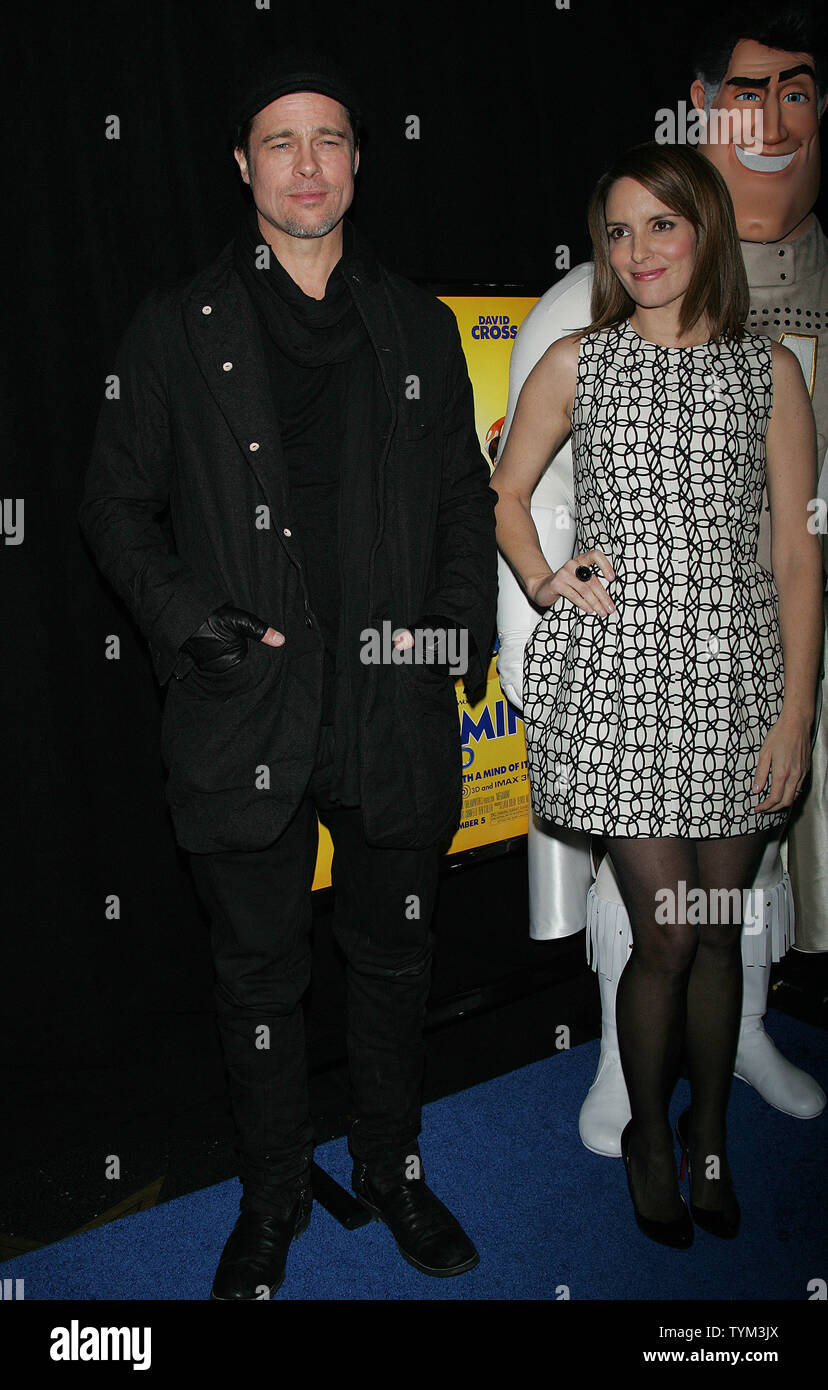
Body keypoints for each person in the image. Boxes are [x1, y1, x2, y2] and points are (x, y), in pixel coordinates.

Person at [78, 50, 497, 1298]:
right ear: (244, 166)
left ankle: (391, 1170)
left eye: (328, 139)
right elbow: (111, 506)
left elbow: (464, 506)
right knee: (258, 975)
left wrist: (448, 639)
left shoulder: (414, 322)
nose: (306, 164)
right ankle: (272, 1199)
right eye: (280, 141)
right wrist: (193, 621)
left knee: (394, 960)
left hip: (389, 706)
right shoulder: (175, 323)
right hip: (243, 705)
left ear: (359, 160)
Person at [495, 1, 827, 1158]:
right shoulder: (579, 360)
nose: (639, 251)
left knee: (724, 934)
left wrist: (795, 710)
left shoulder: (769, 371)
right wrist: (543, 580)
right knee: (667, 935)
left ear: (703, 234)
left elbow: (796, 555)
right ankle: (646, 1131)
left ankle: (712, 1141)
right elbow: (503, 490)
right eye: (619, 232)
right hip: (626, 689)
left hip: (740, 687)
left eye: (662, 226)